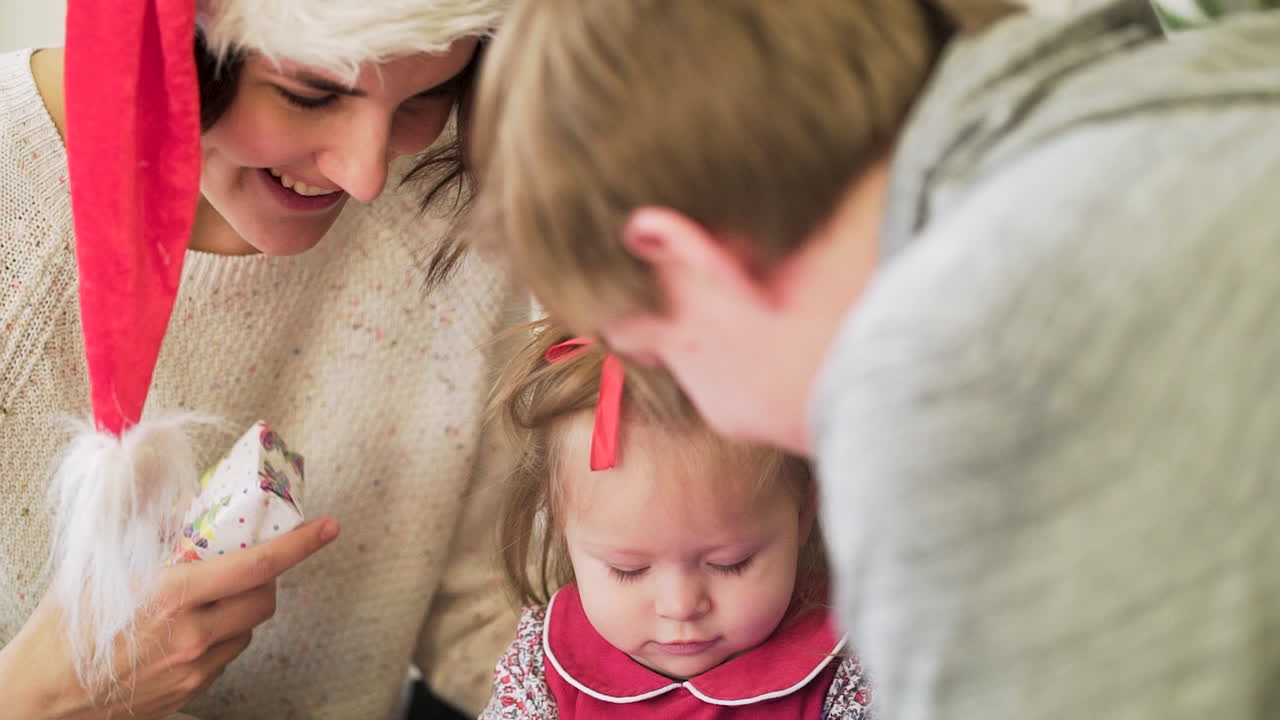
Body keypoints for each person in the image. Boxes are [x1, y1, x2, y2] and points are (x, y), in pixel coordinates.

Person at [464, 1, 1280, 718]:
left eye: (657, 357)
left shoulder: (948, 364)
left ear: (686, 260)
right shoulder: (1216, 85)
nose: (707, 415)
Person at [0, 0, 526, 717]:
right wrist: (37, 696)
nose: (366, 175)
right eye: (310, 94)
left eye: (425, 97)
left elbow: (486, 622)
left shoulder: (447, 203)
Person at [478, 323, 873, 719]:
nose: (680, 606)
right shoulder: (541, 666)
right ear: (562, 528)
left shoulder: (854, 658)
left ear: (804, 512)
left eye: (729, 564)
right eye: (628, 570)